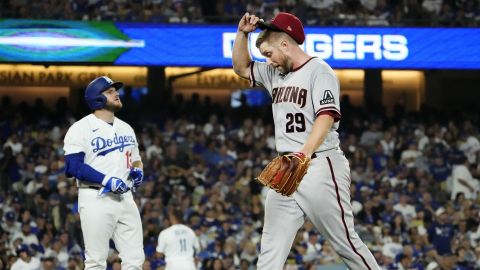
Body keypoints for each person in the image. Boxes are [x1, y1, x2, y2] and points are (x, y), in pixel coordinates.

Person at [232, 12, 381, 269]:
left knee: (344, 242)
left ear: (285, 44)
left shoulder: (319, 70)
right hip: (288, 167)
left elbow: (327, 115)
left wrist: (304, 153)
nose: (269, 61)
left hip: (319, 163)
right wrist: (242, 34)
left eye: (269, 54)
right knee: (271, 246)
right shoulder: (274, 73)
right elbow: (242, 68)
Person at [63, 76, 145, 269]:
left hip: (125, 198)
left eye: (115, 90)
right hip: (96, 197)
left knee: (135, 259)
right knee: (96, 261)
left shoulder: (126, 128)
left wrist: (138, 172)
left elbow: (136, 160)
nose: (116, 93)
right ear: (96, 99)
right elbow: (73, 166)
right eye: (109, 91)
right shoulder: (80, 128)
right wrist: (107, 180)